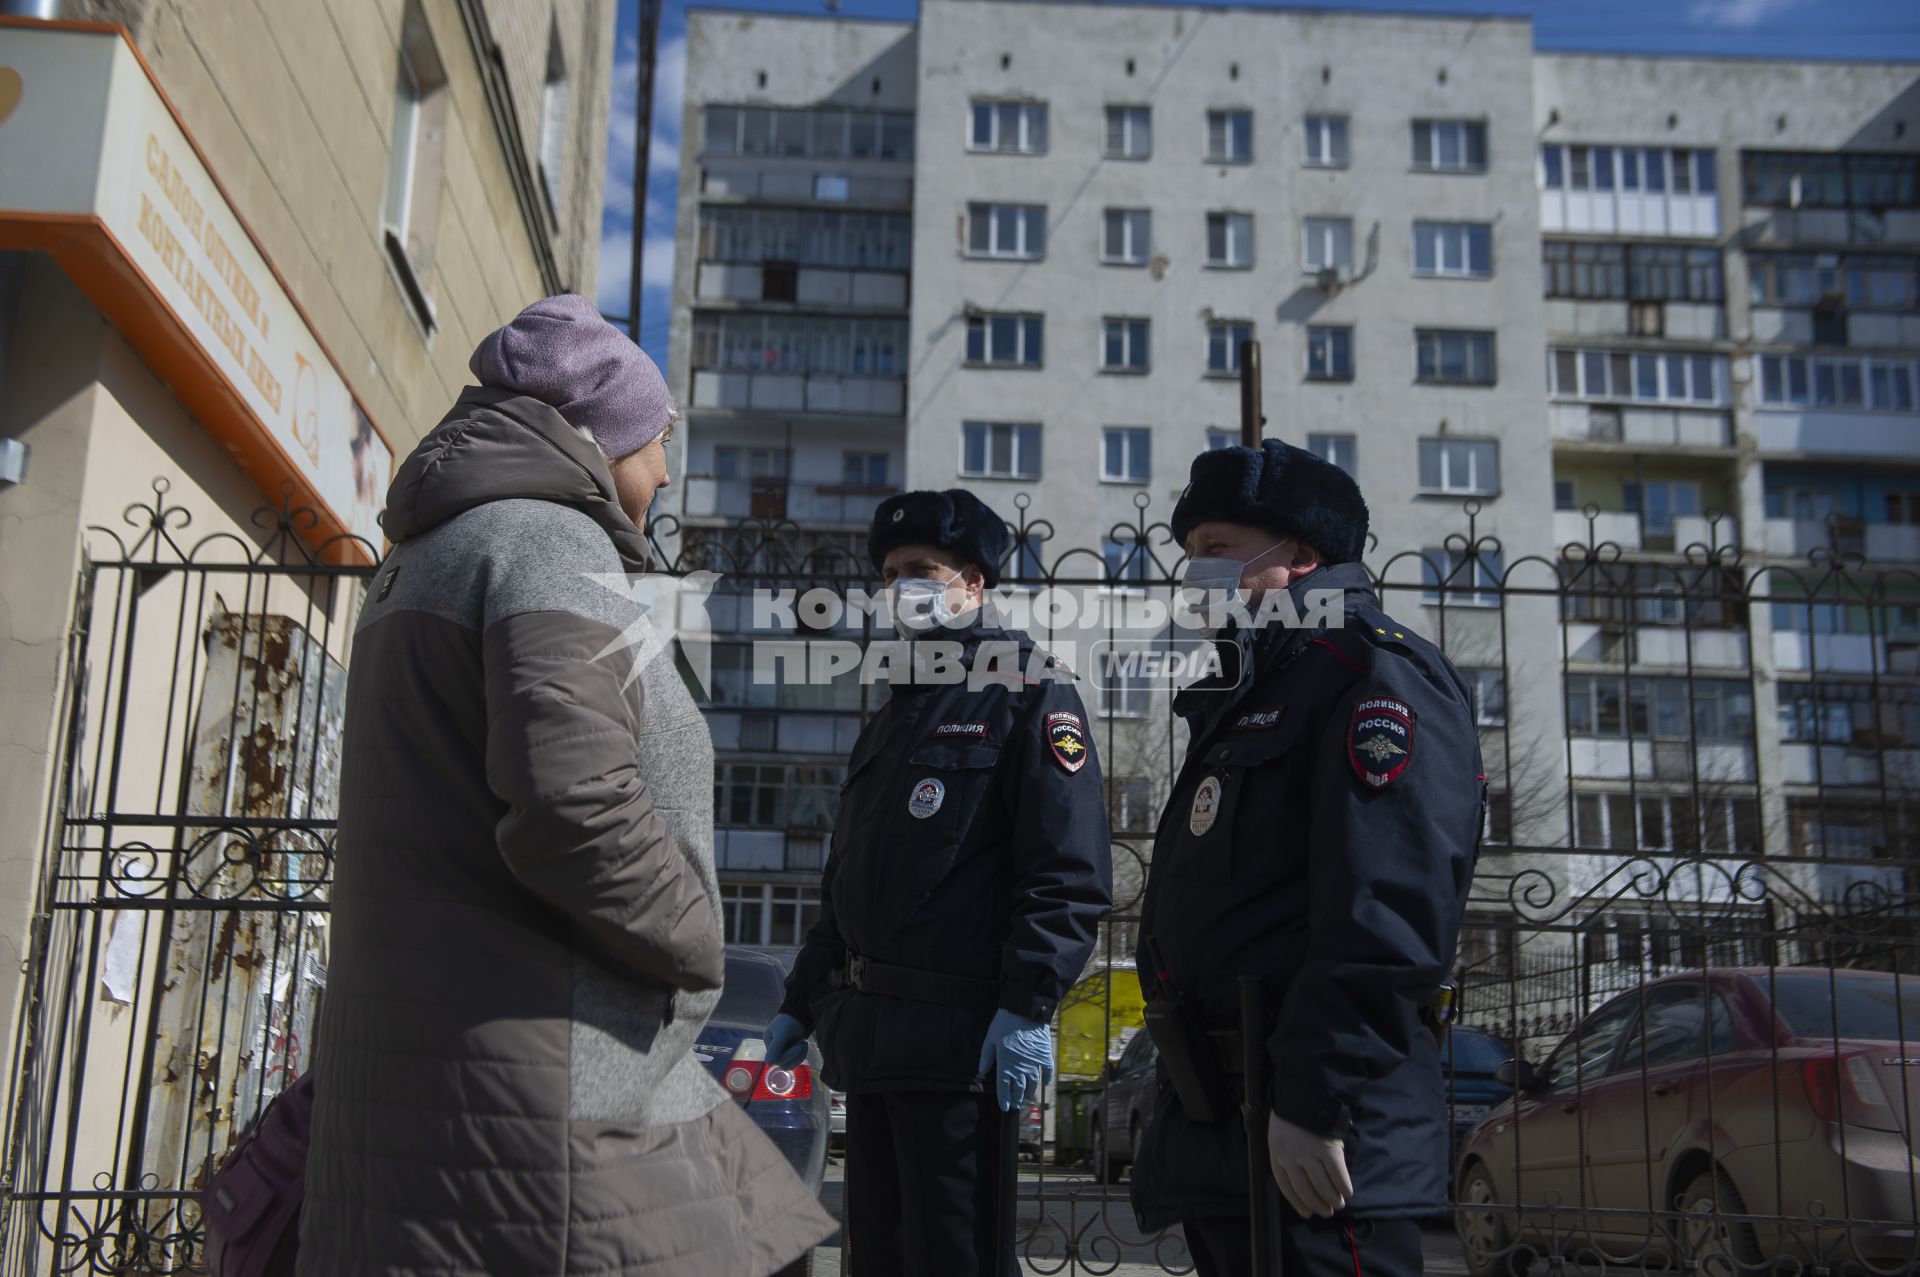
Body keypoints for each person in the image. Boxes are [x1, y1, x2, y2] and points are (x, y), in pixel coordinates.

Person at [299, 294, 833, 1276]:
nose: (666, 470)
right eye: (660, 438)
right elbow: (573, 805)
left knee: (762, 1221)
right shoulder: (547, 543)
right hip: (542, 1080)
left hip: (446, 1075)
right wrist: (700, 933)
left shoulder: (430, 552)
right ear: (598, 437)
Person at [1129, 440, 1484, 1277]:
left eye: (1216, 549)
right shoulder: (1257, 683)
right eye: (1189, 554)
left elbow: (1387, 911)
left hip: (1320, 1138)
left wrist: (1313, 1100)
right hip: (1230, 1124)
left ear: (1299, 555)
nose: (1195, 572)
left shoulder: (1369, 671)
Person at [763, 490, 1114, 1276]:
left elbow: (1066, 872)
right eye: (890, 573)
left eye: (921, 569)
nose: (901, 587)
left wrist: (1028, 1003)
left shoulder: (1029, 693)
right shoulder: (890, 718)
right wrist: (800, 997)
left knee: (954, 1258)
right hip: (873, 1050)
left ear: (974, 583)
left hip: (962, 1053)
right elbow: (849, 892)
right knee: (877, 1261)